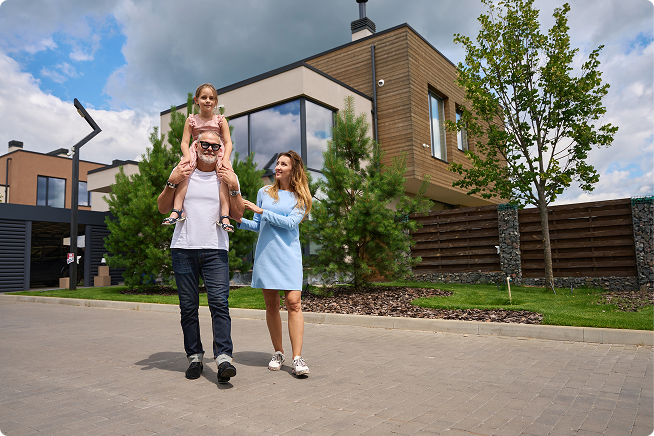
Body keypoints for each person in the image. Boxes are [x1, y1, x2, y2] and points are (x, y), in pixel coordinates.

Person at [157, 130, 244, 383]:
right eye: (205, 144)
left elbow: (238, 214)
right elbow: (162, 208)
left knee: (219, 304)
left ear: (221, 150)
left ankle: (224, 359)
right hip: (183, 248)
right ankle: (194, 357)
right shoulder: (183, 171)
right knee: (188, 307)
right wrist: (171, 182)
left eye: (215, 146)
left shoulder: (226, 174)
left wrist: (234, 187)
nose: (210, 149)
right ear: (195, 146)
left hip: (216, 249)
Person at [236, 150, 313, 376]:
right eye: (277, 163)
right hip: (267, 255)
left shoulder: (301, 197)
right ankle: (278, 352)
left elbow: (290, 224)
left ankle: (297, 358)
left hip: (289, 256)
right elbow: (258, 225)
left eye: (283, 164)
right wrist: (238, 221)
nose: (277, 167)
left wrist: (262, 211)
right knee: (271, 305)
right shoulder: (264, 192)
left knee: (294, 303)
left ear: (293, 169)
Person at [162, 83, 234, 232]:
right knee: (184, 171)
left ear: (216, 101)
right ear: (196, 100)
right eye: (204, 97)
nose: (208, 101)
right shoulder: (191, 120)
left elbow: (228, 142)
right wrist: (187, 156)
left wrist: (226, 159)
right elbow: (184, 142)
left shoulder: (220, 120)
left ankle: (224, 215)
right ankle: (177, 210)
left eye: (211, 98)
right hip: (196, 149)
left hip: (216, 150)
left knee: (224, 175)